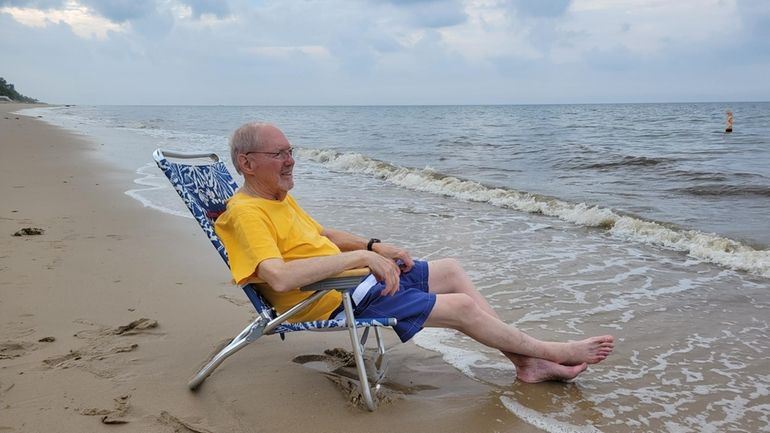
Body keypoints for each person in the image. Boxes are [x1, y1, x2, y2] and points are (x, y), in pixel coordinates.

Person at [214, 122, 615, 383]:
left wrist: (373, 246)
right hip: (330, 299)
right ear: (247, 163)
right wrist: (361, 260)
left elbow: (321, 233)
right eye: (279, 154)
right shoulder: (248, 212)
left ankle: (526, 362)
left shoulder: (277, 198)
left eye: (290, 150)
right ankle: (549, 352)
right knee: (460, 307)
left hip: (356, 283)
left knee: (452, 270)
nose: (291, 160)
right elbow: (280, 277)